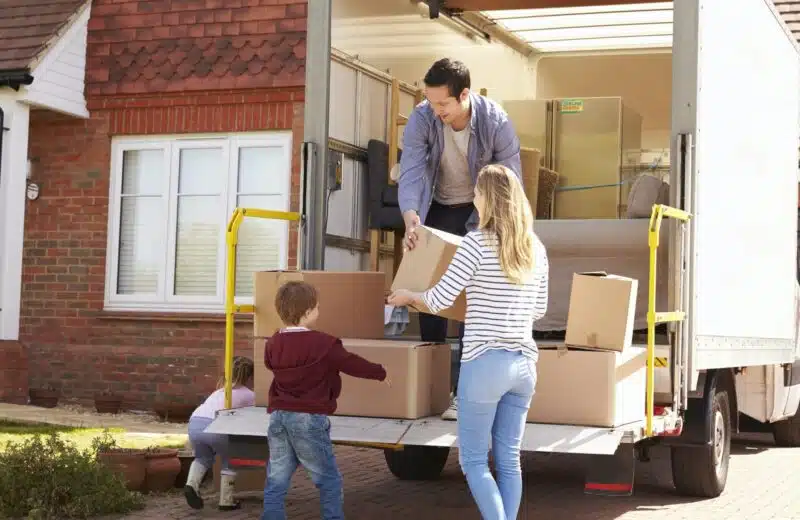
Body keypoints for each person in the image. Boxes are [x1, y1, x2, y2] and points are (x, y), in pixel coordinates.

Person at [389, 164, 549, 520]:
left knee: (474, 462)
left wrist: (406, 296)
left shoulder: (475, 243)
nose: (473, 198)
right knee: (509, 461)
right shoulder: (535, 248)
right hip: (523, 365)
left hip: (484, 363)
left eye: (477, 192)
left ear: (488, 199)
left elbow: (440, 298)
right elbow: (539, 309)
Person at [397, 57, 523, 420]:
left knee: (474, 299)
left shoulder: (495, 121)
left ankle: (465, 395)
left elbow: (509, 182)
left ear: (464, 95)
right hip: (436, 206)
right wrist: (411, 217)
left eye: (442, 104)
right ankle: (432, 389)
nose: (434, 110)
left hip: (482, 211)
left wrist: (494, 231)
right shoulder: (423, 117)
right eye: (430, 101)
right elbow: (413, 171)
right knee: (429, 293)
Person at [260, 281, 390, 520]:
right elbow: (351, 363)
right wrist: (381, 372)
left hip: (278, 416)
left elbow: (270, 365)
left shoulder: (273, 342)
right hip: (309, 419)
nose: (319, 312)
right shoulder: (324, 344)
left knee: (276, 479)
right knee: (328, 480)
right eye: (317, 308)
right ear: (307, 312)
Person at [184, 356, 256, 511]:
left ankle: (191, 485)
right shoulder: (249, 395)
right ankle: (226, 500)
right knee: (230, 458)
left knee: (202, 457)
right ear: (250, 377)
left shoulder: (219, 391)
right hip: (216, 425)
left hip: (195, 423)